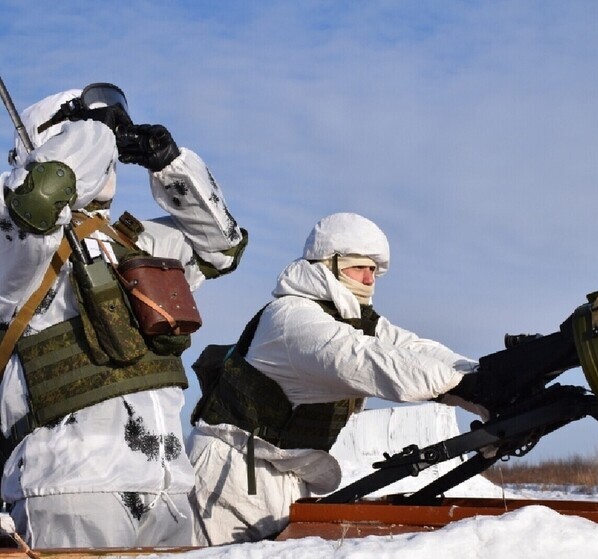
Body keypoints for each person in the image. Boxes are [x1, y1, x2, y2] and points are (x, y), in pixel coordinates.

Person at [0, 84, 247, 548]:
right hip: (70, 488)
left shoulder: (137, 243)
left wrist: (170, 163)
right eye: (85, 126)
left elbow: (223, 249)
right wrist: (94, 130)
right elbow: (38, 200)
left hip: (171, 491)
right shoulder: (15, 240)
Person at [187, 212, 489, 544]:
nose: (369, 279)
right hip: (233, 473)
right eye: (359, 266)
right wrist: (460, 385)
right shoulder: (291, 318)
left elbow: (412, 348)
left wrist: (484, 377)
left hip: (283, 470)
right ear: (327, 264)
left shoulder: (350, 320)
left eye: (374, 270)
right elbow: (362, 360)